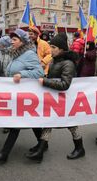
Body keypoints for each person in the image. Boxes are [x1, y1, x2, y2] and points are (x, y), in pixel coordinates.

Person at [0, 29, 44, 163]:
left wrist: (22, 75)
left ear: (22, 41)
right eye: (11, 39)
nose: (11, 42)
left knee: (16, 124)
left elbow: (39, 72)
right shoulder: (16, 54)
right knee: (33, 122)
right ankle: (43, 143)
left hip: (25, 95)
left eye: (14, 39)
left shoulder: (29, 54)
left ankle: (4, 153)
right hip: (16, 94)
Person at [34, 33, 85, 161]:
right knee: (48, 123)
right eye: (50, 46)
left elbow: (65, 84)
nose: (50, 50)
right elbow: (52, 77)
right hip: (54, 98)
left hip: (65, 99)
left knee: (71, 124)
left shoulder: (68, 64)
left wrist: (45, 82)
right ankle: (40, 150)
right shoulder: (54, 60)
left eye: (53, 47)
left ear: (61, 49)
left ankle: (80, 148)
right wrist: (45, 78)